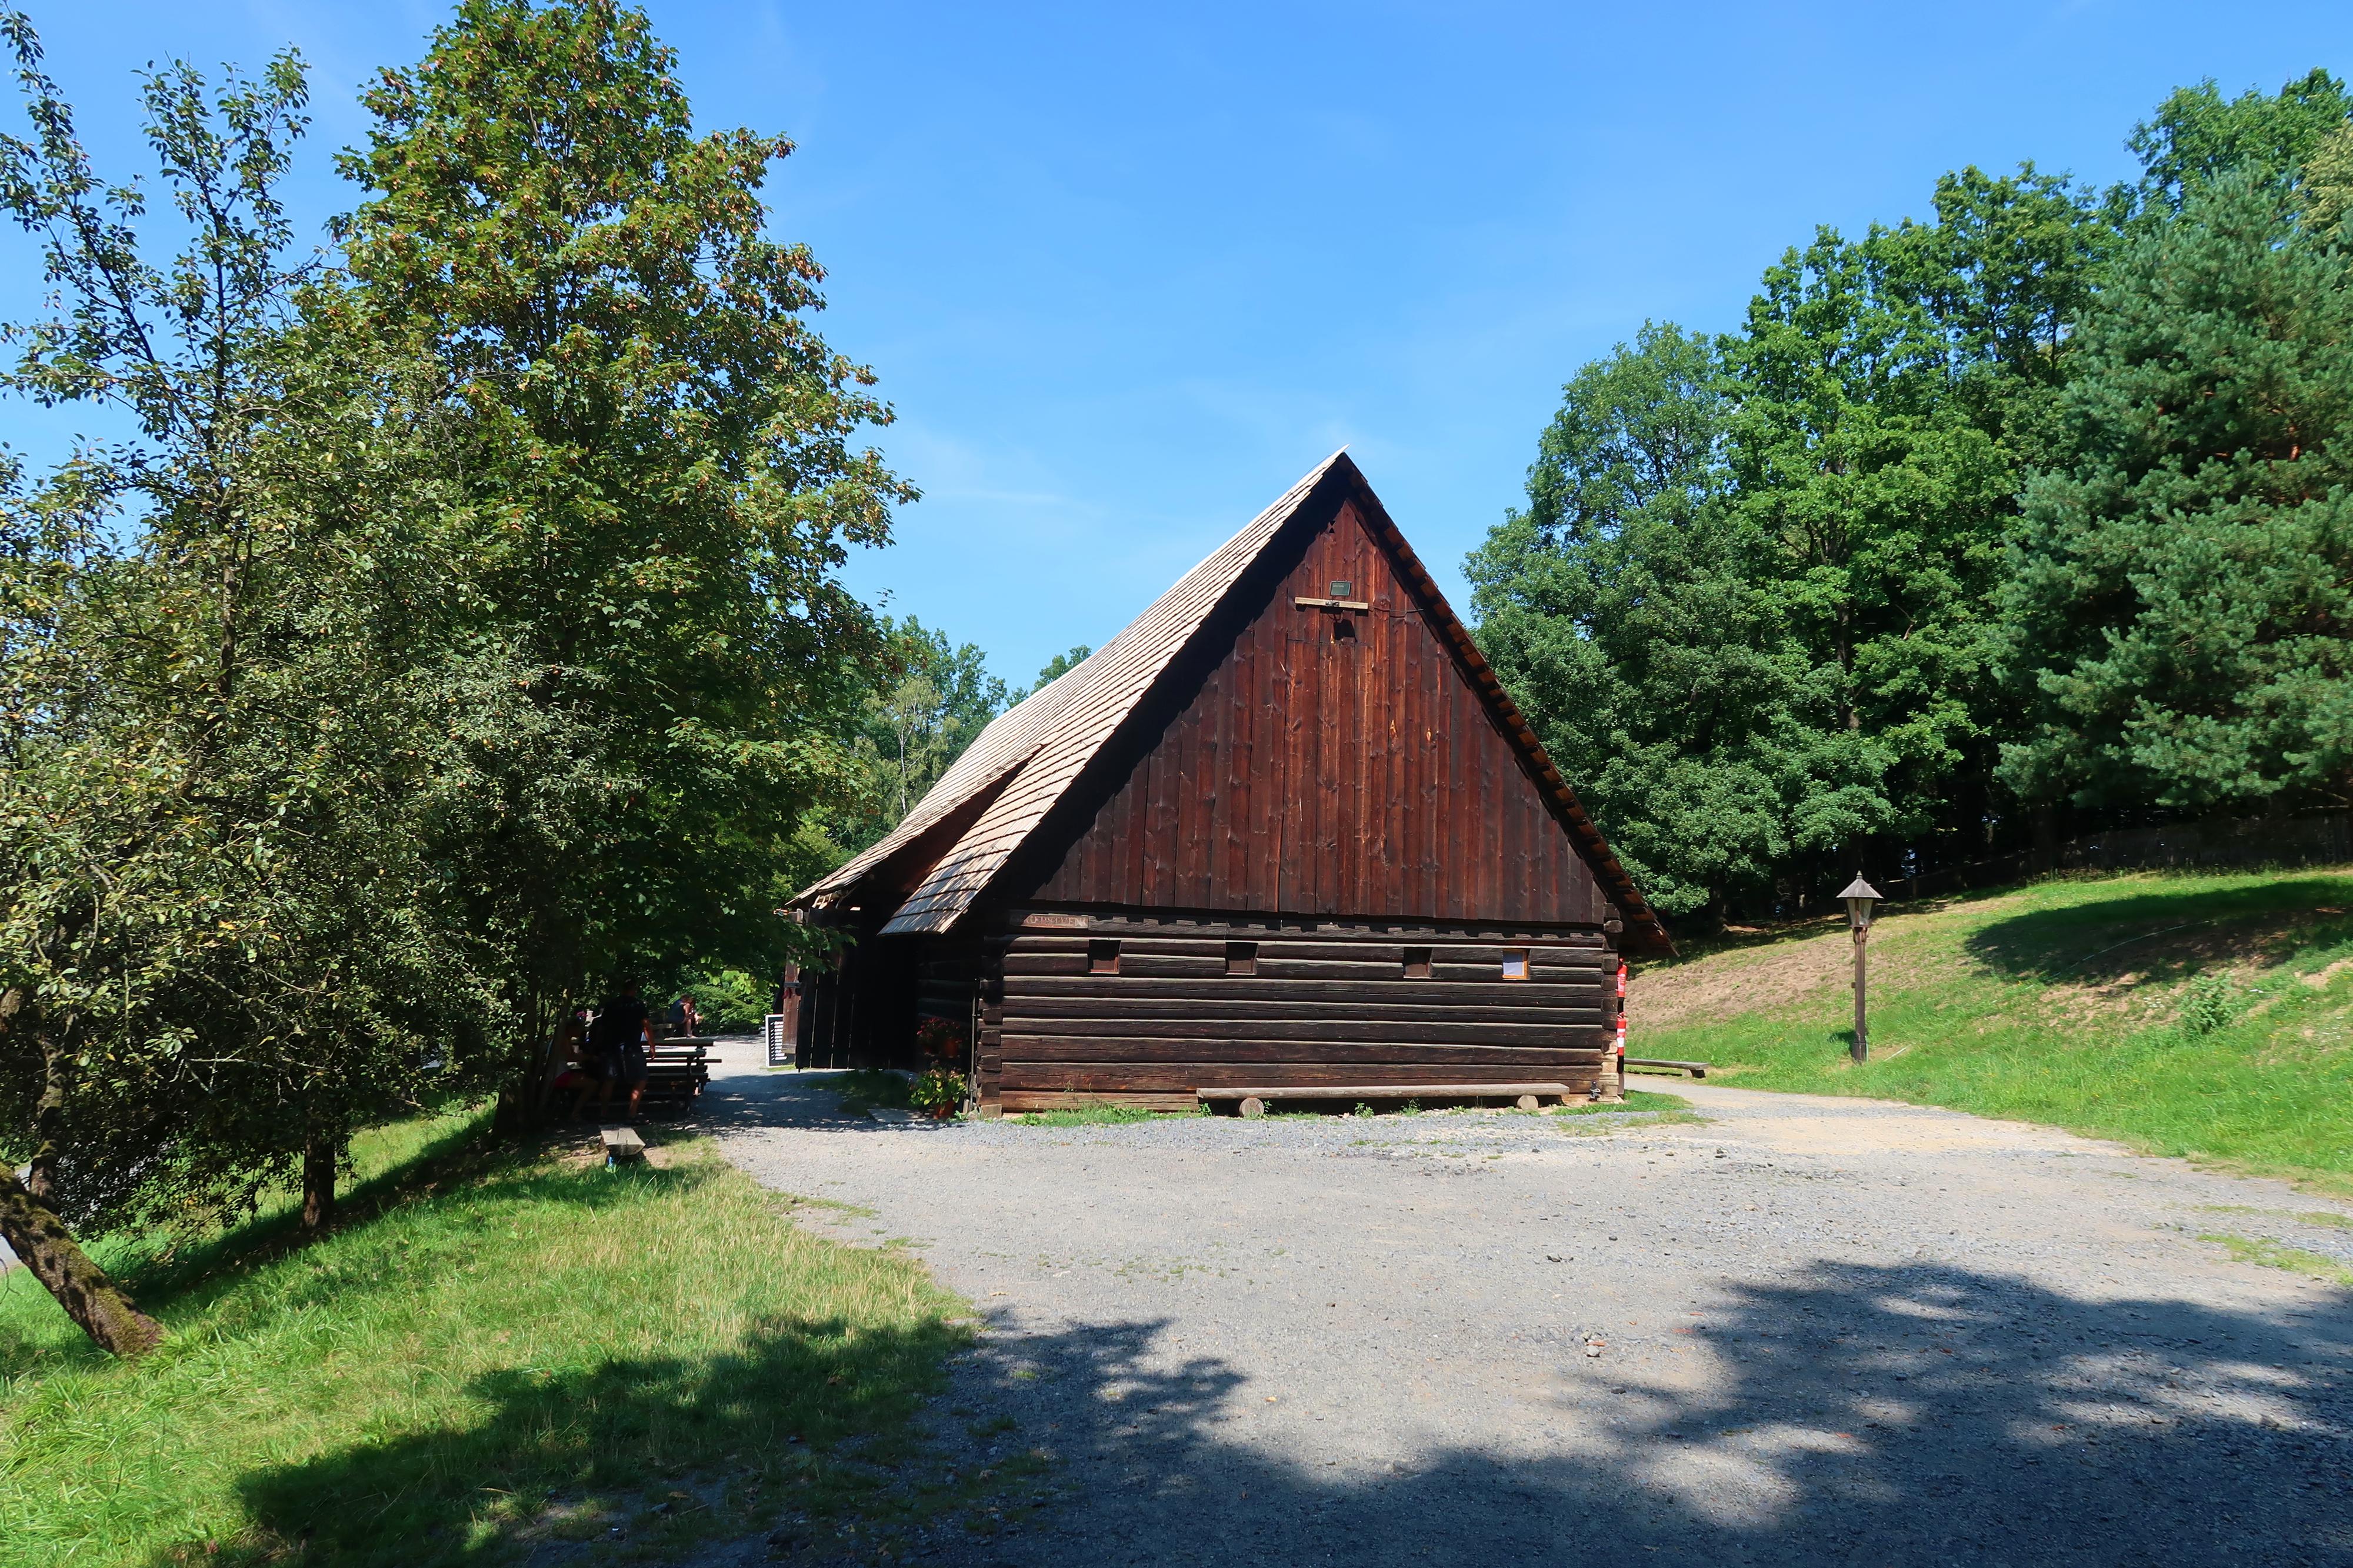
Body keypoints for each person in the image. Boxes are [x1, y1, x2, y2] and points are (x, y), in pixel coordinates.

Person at [585, 980, 654, 1123]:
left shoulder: (611, 1004)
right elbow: (646, 1025)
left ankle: (603, 1115)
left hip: (611, 1047)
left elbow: (601, 1027)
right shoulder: (638, 1004)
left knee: (609, 1080)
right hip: (632, 1046)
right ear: (634, 989)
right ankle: (632, 1114)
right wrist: (652, 1045)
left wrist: (597, 1045)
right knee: (641, 1078)